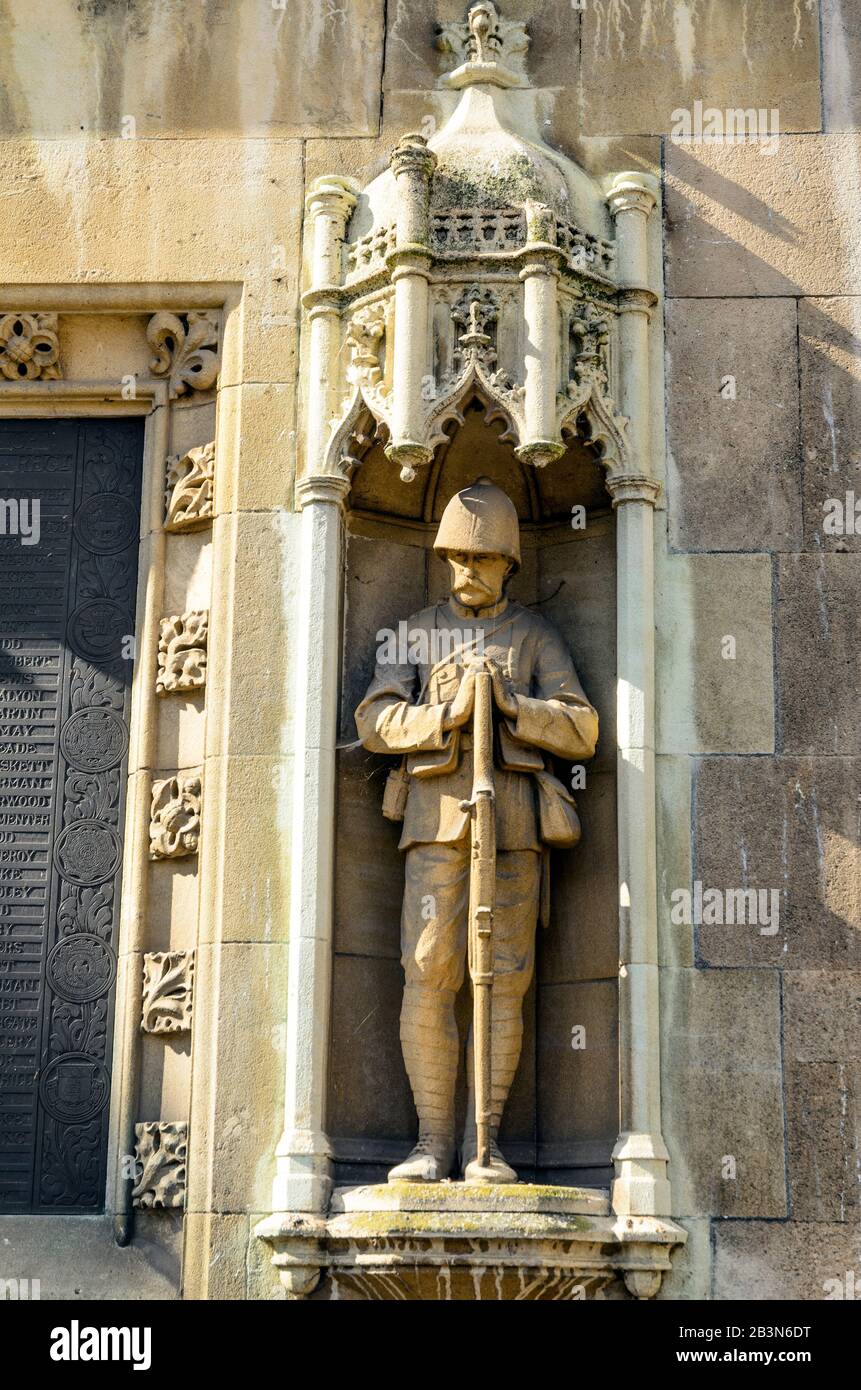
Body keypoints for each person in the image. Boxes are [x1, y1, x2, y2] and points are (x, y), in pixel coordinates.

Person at [355, 478, 598, 1182]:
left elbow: (582, 728)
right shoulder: (412, 632)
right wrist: (448, 715)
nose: (466, 569)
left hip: (514, 828)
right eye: (455, 557)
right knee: (428, 973)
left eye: (480, 557)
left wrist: (514, 707)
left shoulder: (532, 634)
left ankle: (484, 1141)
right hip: (433, 826)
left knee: (501, 979)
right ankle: (431, 1142)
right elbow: (373, 722)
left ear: (507, 563)